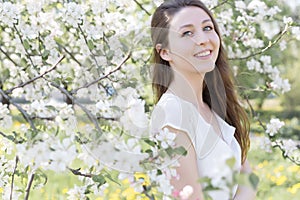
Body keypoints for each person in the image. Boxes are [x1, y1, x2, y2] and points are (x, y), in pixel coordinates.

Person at [150, 0, 257, 199]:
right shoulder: (172, 114)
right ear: (165, 52)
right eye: (187, 33)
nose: (202, 39)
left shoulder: (214, 106)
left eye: (207, 28)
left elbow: (248, 179)